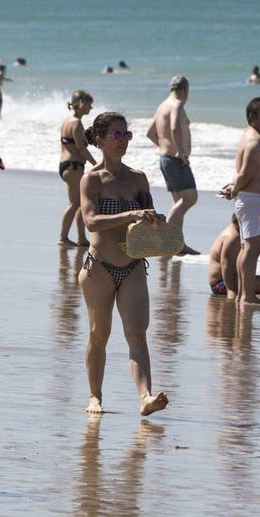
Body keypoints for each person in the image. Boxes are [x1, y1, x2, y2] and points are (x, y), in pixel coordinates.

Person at [78, 111, 169, 416]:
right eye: (116, 135)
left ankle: (146, 398)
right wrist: (130, 215)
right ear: (100, 140)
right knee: (99, 334)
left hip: (132, 266)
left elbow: (148, 215)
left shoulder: (138, 178)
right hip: (99, 267)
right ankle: (95, 396)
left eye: (126, 135)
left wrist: (156, 220)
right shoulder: (91, 179)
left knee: (137, 333)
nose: (123, 141)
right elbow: (91, 222)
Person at [217, 97, 260, 305]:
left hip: (251, 200)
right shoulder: (254, 141)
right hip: (253, 202)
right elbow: (244, 173)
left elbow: (242, 173)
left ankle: (244, 293)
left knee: (248, 248)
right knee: (252, 248)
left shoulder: (250, 137)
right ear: (252, 117)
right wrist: (235, 188)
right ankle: (247, 295)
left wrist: (235, 187)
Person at [146, 75, 198, 254]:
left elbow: (150, 133)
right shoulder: (177, 104)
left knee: (179, 202)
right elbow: (175, 127)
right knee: (190, 198)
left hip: (166, 158)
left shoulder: (162, 105)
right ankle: (165, 238)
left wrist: (164, 147)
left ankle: (177, 244)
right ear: (185, 90)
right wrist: (181, 153)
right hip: (175, 159)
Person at [58, 90, 96, 247]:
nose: (91, 108)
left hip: (66, 165)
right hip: (73, 166)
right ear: (81, 104)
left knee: (78, 203)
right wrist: (96, 164)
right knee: (75, 204)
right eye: (89, 104)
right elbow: (81, 148)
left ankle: (81, 238)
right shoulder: (76, 123)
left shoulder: (67, 121)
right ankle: (63, 237)